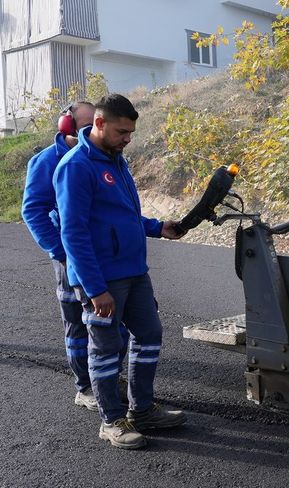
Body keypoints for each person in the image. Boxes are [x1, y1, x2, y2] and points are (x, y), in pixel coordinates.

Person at [53, 94, 187, 450]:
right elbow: (74, 233)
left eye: (131, 132)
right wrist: (96, 290)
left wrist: (158, 227)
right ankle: (112, 420)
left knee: (150, 335)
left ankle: (142, 409)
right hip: (102, 278)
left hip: (133, 272)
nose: (128, 138)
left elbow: (124, 217)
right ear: (98, 123)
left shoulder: (117, 161)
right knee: (106, 349)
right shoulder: (76, 166)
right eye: (121, 131)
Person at [21, 101, 117, 412]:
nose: (93, 130)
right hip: (69, 256)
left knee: (109, 321)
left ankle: (104, 376)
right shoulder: (46, 161)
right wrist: (60, 252)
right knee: (77, 323)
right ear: (66, 126)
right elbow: (33, 211)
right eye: (86, 124)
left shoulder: (102, 157)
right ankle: (85, 387)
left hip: (102, 256)